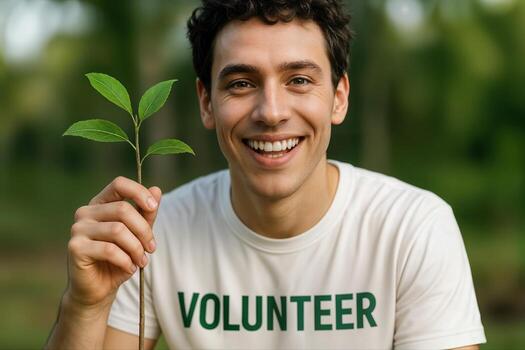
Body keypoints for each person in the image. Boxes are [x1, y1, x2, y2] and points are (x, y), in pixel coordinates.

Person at [46, 0, 487, 349]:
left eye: (298, 80)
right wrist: (84, 306)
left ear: (338, 98)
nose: (271, 113)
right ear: (206, 103)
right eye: (241, 83)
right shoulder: (152, 236)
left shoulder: (412, 228)